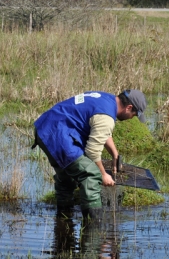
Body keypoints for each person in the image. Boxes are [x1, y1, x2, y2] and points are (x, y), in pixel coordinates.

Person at [34, 89, 147, 222]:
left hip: (44, 128)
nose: (131, 118)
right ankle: (94, 225)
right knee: (91, 174)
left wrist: (114, 153)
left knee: (67, 177)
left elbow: (101, 129)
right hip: (57, 135)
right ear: (129, 108)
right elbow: (92, 152)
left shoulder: (106, 99)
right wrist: (103, 175)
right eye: (134, 115)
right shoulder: (107, 117)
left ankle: (63, 218)